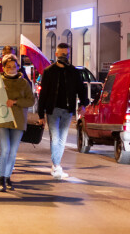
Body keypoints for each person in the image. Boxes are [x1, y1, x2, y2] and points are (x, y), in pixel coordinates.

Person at [38, 43, 89, 179]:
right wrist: (40, 113)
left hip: (67, 110)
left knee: (62, 139)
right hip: (52, 110)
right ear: (56, 55)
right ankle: (56, 165)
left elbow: (81, 89)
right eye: (61, 54)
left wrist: (83, 104)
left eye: (66, 54)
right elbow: (43, 93)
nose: (64, 57)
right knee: (55, 138)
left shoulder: (73, 71)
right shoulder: (49, 71)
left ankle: (56, 165)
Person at [0, 54, 35, 192]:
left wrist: (16, 102)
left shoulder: (23, 83)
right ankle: (1, 179)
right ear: (3, 67)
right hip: (1, 120)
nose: (11, 69)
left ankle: (7, 177)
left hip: (18, 121)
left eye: (14, 66)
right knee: (4, 150)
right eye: (8, 66)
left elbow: (31, 100)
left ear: (18, 67)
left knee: (12, 152)